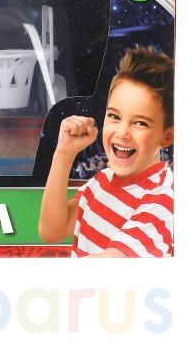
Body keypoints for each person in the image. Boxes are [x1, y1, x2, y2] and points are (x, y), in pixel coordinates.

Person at [38, 46, 174, 257]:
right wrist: (63, 154)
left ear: (166, 137)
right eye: (114, 117)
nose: (122, 133)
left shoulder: (164, 201)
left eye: (140, 123)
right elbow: (51, 231)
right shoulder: (102, 180)